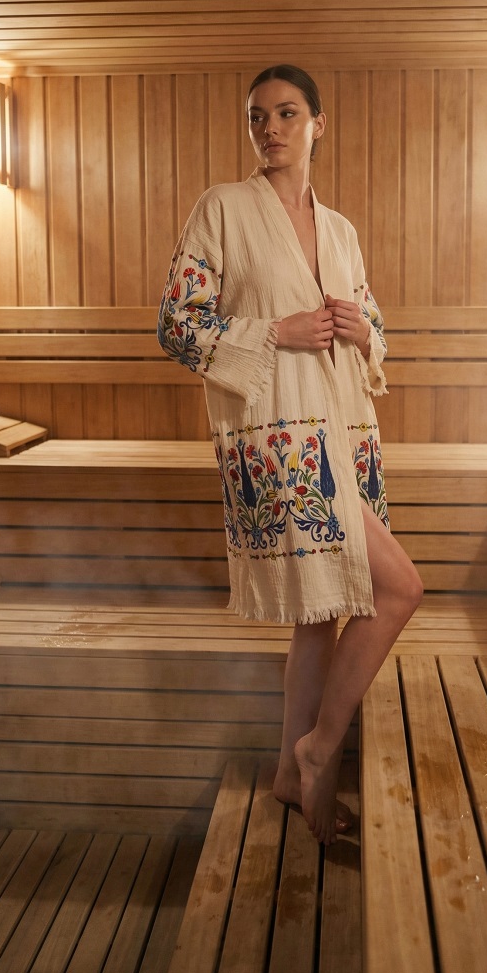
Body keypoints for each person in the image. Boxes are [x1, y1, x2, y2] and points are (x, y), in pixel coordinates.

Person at [158, 65, 422, 844]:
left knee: (320, 615)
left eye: (286, 113)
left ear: (317, 125)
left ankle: (286, 771)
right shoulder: (221, 209)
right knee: (399, 589)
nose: (269, 128)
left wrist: (362, 333)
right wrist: (275, 332)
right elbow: (178, 324)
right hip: (277, 439)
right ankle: (318, 748)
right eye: (257, 116)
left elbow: (372, 325)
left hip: (341, 429)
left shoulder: (339, 230)